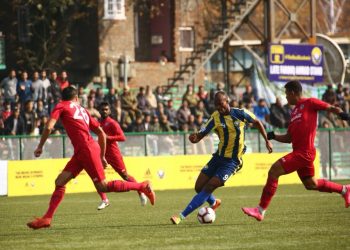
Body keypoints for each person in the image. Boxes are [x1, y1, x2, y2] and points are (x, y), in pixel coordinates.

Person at [27, 86, 155, 230]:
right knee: (60, 181)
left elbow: (49, 127)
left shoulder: (61, 105)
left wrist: (40, 146)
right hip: (83, 151)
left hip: (86, 150)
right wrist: (101, 156)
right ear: (76, 98)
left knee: (103, 186)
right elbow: (100, 133)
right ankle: (47, 218)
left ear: (62, 98)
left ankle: (142, 186)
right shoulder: (83, 110)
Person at [242, 80, 350, 222]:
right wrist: (273, 136)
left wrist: (343, 115)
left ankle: (260, 210)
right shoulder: (294, 112)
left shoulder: (310, 103)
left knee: (274, 171)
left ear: (293, 93)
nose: (286, 97)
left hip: (304, 153)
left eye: (287, 94)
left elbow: (330, 108)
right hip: (301, 153)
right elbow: (289, 138)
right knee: (311, 184)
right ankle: (344, 190)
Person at [170, 91, 273, 224]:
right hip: (218, 157)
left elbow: (258, 122)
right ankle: (214, 202)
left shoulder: (240, 113)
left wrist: (266, 140)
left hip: (232, 162)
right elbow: (201, 134)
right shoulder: (215, 117)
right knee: (199, 186)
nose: (219, 107)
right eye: (216, 105)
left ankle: (181, 216)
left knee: (209, 186)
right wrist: (194, 138)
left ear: (227, 101)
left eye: (221, 104)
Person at [96, 102, 148, 209]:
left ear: (109, 111)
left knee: (125, 176)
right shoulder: (98, 123)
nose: (104, 111)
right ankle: (105, 200)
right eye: (102, 109)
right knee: (96, 176)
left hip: (114, 154)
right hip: (102, 154)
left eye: (106, 109)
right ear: (99, 111)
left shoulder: (112, 123)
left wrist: (108, 138)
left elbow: (122, 137)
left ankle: (140, 191)